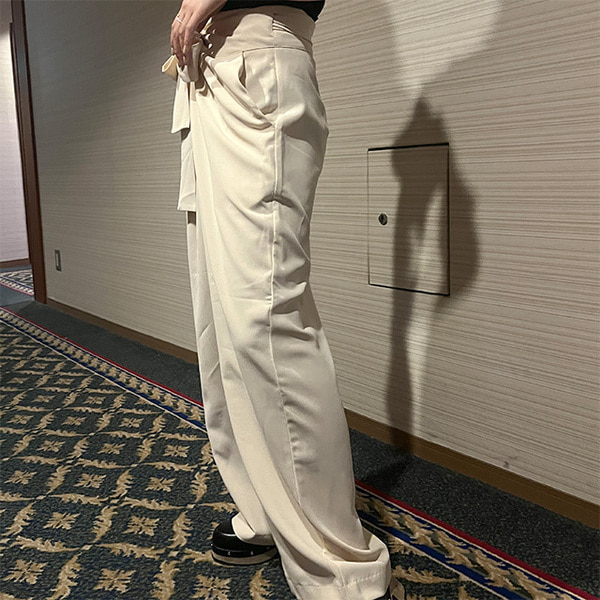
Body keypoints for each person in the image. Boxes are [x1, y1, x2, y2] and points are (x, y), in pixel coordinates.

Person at [165, 1, 404, 598]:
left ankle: (342, 569)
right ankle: (267, 511)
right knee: (220, 324)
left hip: (255, 59)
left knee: (266, 318)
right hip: (210, 74)